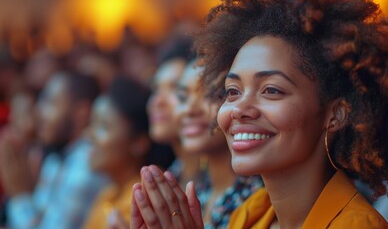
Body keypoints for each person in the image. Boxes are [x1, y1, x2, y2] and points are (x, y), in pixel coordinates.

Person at [129, 0, 388, 228]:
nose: (239, 109)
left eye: (271, 90)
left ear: (335, 114)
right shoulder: (254, 213)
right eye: (232, 92)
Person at [0, 71, 108, 229]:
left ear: (81, 112)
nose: (39, 112)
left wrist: (19, 194)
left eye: (49, 103)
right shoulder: (56, 156)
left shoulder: (88, 165)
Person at [173, 60, 262, 228]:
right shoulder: (195, 186)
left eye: (210, 96)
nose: (190, 109)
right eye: (183, 97)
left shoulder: (259, 198)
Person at [83, 77, 174, 229]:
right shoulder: (108, 195)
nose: (89, 135)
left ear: (139, 142)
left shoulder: (148, 198)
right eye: (92, 124)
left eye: (103, 127)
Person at [147, 34, 202, 189]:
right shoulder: (174, 173)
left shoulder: (220, 179)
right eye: (156, 88)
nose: (157, 101)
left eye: (176, 89)